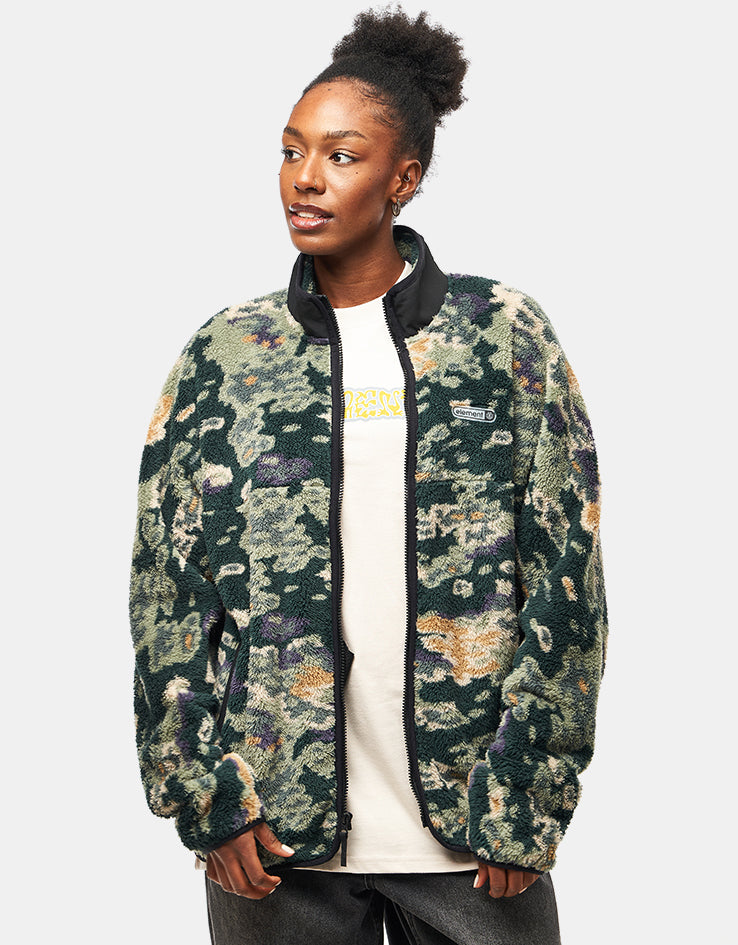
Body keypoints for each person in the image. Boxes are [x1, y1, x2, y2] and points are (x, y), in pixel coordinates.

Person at [129, 7, 608, 944]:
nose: (305, 178)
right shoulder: (228, 352)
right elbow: (167, 591)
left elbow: (567, 576)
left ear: (404, 179)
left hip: (473, 835)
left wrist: (527, 796)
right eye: (291, 150)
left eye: (341, 156)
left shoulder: (502, 336)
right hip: (274, 836)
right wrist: (204, 796)